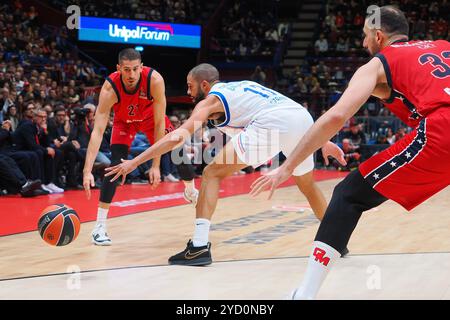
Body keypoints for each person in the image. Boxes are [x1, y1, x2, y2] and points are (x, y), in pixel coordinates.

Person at [250, 5, 450, 299]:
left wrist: (287, 166)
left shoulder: (377, 64)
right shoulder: (443, 46)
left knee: (348, 194)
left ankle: (304, 294)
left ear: (379, 36)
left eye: (365, 36)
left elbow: (335, 116)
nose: (363, 43)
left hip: (442, 130)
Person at [104, 63, 346, 266]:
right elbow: (289, 115)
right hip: (301, 117)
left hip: (273, 123)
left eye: (190, 86)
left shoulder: (209, 102)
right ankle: (336, 239)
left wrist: (134, 161)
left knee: (210, 173)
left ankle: (198, 247)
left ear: (205, 85)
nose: (188, 92)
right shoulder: (241, 87)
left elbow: (177, 136)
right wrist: (320, 140)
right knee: (307, 184)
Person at [82, 48, 198, 246]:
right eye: (126, 70)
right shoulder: (110, 88)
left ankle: (190, 188)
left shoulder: (154, 80)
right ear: (118, 69)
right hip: (124, 122)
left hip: (152, 120)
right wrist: (87, 171)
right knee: (115, 167)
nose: (131, 75)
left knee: (178, 151)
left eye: (135, 69)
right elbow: (97, 132)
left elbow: (160, 123)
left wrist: (155, 166)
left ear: (141, 67)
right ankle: (99, 226)